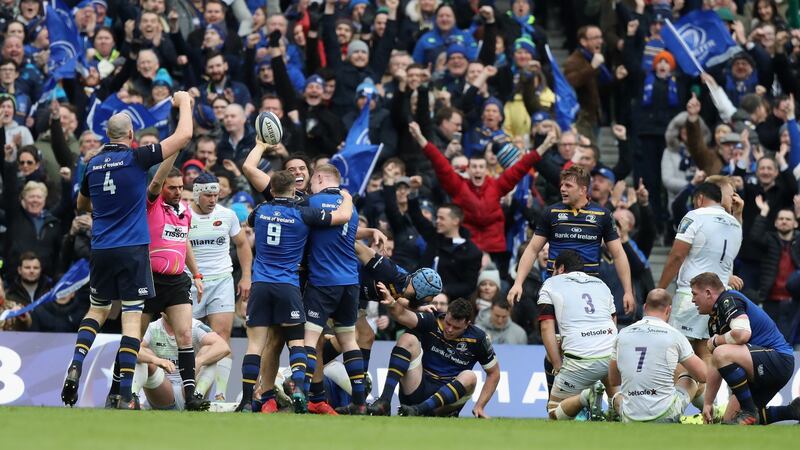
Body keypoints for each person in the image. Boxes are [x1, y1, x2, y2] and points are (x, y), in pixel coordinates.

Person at [61, 91, 193, 409]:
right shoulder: (137, 157)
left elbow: (81, 204)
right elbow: (184, 135)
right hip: (132, 249)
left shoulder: (92, 165)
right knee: (132, 319)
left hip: (102, 248)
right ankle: (121, 392)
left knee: (97, 310)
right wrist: (185, 102)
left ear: (108, 135)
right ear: (131, 135)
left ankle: (76, 362)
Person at [237, 170, 353, 413]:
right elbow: (343, 216)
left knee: (255, 346)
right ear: (293, 190)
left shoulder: (259, 211)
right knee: (297, 342)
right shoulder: (304, 213)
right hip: (288, 286)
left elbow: (249, 221)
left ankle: (247, 401)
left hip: (260, 286)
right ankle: (299, 387)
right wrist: (347, 196)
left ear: (272, 190)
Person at [509, 165, 635, 314]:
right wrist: (518, 283)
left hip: (588, 286)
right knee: (547, 326)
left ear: (583, 189)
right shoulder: (551, 212)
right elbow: (532, 249)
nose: (562, 188)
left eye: (568, 185)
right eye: (562, 184)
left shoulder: (603, 215)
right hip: (555, 284)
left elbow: (618, 254)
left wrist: (628, 291)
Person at [301, 164, 369, 415]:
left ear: (319, 178)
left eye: (312, 180)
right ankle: (360, 401)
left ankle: (299, 389)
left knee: (310, 339)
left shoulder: (312, 202)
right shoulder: (350, 206)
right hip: (350, 282)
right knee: (349, 340)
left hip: (322, 283)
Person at [369, 289, 499, 418]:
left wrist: (480, 406)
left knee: (470, 376)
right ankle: (384, 401)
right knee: (408, 338)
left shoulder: (478, 338)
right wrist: (392, 302)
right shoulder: (432, 320)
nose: (449, 329)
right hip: (418, 387)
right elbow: (402, 315)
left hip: (445, 403)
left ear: (467, 324)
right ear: (446, 313)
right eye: (448, 323)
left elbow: (494, 373)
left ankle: (420, 410)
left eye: (456, 327)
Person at [690, 272, 800, 425]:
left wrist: (716, 341)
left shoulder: (729, 300)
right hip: (760, 367)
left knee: (721, 351)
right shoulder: (714, 320)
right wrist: (708, 403)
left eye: (694, 294)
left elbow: (742, 334)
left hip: (778, 359)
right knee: (730, 421)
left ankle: (749, 409)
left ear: (708, 293)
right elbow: (717, 362)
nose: (692, 300)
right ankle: (792, 411)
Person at [657, 183, 742, 362]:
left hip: (692, 295)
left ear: (699, 198)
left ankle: (681, 390)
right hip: (721, 297)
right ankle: (705, 391)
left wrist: (661, 288)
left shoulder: (694, 216)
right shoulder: (736, 224)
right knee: (706, 352)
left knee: (678, 353)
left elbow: (677, 256)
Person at [188, 172, 252, 401]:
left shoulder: (228, 215)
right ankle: (192, 391)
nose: (213, 200)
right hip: (191, 283)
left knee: (222, 337)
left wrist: (246, 277)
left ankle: (220, 395)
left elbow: (243, 244)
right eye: (207, 195)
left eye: (215, 195)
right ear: (196, 195)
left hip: (222, 281)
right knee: (188, 339)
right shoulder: (184, 215)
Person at [538, 250, 617, 420]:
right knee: (616, 402)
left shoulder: (551, 283)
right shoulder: (601, 284)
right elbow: (613, 320)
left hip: (581, 359)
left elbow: (546, 327)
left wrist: (558, 366)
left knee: (553, 412)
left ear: (561, 268)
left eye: (553, 269)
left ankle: (585, 396)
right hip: (612, 355)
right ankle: (614, 408)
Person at [607, 289, 707, 423]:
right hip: (665, 414)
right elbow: (703, 375)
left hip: (630, 417)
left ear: (645, 307)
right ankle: (710, 413)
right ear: (668, 310)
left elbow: (614, 380)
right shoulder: (675, 335)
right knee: (691, 376)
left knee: (617, 397)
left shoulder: (622, 334)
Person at [134, 315, 230, 410]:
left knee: (209, 351)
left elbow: (223, 347)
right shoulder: (153, 327)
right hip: (163, 391)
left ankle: (197, 397)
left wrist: (198, 361)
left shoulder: (195, 326)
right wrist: (156, 360)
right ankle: (133, 398)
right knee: (144, 356)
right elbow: (134, 350)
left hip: (191, 386)